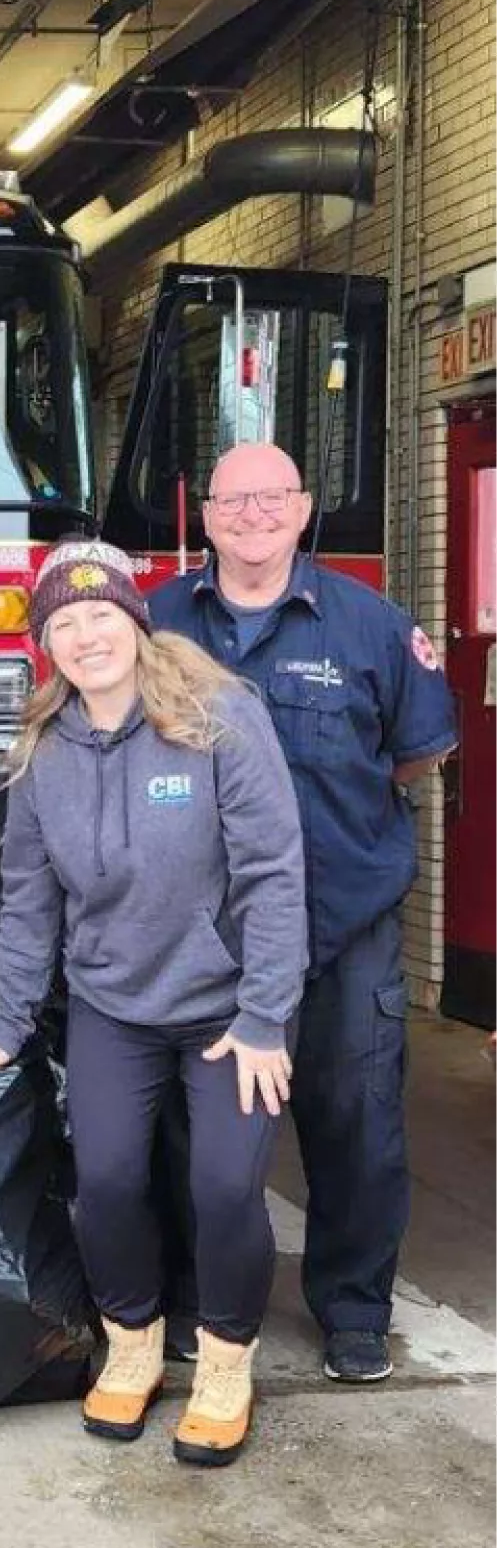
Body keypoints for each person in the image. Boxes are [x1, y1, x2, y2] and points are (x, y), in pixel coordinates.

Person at [0, 540, 306, 1467]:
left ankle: (224, 1362)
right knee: (103, 1181)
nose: (85, 633)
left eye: (101, 613)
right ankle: (133, 1342)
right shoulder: (41, 750)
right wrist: (6, 1027)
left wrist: (264, 1016)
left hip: (228, 1008)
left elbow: (271, 872)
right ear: (46, 643)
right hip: (114, 1005)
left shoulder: (216, 716)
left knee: (223, 1186)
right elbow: (28, 900)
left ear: (136, 623)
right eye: (62, 621)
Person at [150, 443, 457, 1384]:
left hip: (341, 924)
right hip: (201, 931)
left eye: (271, 497)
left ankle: (353, 1312)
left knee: (354, 1123)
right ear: (203, 516)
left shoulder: (370, 627)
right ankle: (193, 1302)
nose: (252, 514)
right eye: (232, 499)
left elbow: (414, 756)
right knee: (191, 1129)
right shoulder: (154, 622)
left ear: (304, 508)